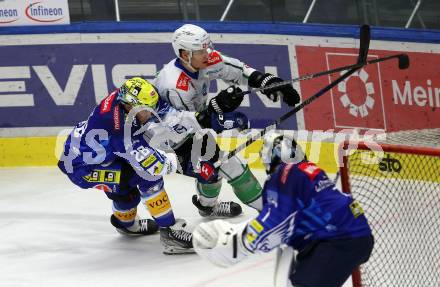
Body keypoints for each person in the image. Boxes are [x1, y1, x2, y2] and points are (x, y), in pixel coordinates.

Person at [152, 24, 301, 218]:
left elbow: (239, 71)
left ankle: (206, 206)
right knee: (228, 167)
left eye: (207, 47)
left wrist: (266, 81)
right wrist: (216, 109)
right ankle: (275, 214)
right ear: (184, 54)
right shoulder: (174, 86)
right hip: (166, 140)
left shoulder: (205, 60)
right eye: (200, 51)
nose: (207, 53)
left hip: (191, 128)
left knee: (213, 168)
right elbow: (184, 126)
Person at [192, 131, 374, 287]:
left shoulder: (286, 174)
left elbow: (275, 221)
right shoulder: (307, 169)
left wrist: (239, 244)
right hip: (346, 236)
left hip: (339, 240)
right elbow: (289, 218)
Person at [58, 77, 194, 254]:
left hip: (104, 155)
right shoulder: (118, 127)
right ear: (131, 106)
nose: (151, 113)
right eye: (146, 110)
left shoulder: (124, 99)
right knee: (146, 177)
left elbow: (160, 110)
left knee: (125, 194)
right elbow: (151, 164)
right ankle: (170, 235)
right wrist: (180, 164)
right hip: (82, 169)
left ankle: (126, 225)